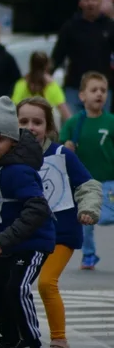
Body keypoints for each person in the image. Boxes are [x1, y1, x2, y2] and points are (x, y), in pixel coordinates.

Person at [15, 98, 101, 348]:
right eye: (24, 122)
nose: (31, 127)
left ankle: (60, 344)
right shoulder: (12, 158)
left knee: (46, 283)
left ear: (49, 127)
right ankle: (22, 342)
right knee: (13, 287)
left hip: (61, 234)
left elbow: (88, 185)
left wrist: (88, 209)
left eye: (37, 122)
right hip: (29, 234)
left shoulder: (63, 155)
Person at [0, 96, 56, 348]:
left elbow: (37, 209)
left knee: (17, 287)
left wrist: (5, 239)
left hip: (32, 241)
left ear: (12, 141)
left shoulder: (19, 171)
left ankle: (33, 347)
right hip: (8, 242)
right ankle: (9, 342)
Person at [60, 71, 114, 270]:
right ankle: (89, 255)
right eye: (94, 90)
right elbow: (63, 145)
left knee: (108, 215)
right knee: (87, 220)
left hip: (109, 181)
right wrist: (68, 146)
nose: (99, 94)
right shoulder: (75, 123)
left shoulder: (110, 122)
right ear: (82, 96)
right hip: (85, 183)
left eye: (103, 90)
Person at [51, 0, 114, 114]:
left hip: (102, 88)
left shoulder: (109, 26)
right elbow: (57, 56)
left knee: (100, 128)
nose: (90, 3)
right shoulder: (70, 27)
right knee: (73, 127)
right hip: (75, 87)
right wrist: (45, 74)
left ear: (100, 2)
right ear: (81, 3)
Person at [10, 51, 70, 123]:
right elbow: (65, 113)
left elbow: (13, 108)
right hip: (46, 130)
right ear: (47, 66)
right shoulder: (52, 86)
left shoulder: (21, 84)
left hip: (24, 129)